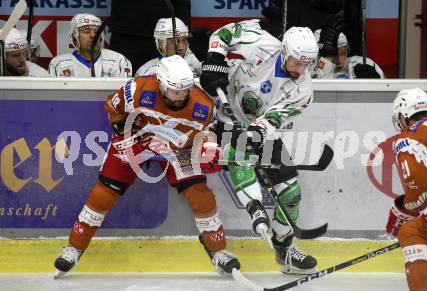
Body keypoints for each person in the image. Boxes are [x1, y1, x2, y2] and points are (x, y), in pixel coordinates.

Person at [53, 55, 240, 278]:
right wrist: (124, 131)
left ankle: (218, 251)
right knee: (103, 193)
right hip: (138, 140)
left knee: (201, 196)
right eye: (174, 90)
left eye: (185, 90)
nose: (181, 96)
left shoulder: (203, 104)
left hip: (178, 150)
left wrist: (210, 149)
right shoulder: (138, 88)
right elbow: (114, 107)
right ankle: (75, 246)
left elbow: (208, 133)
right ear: (161, 84)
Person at [200, 19, 321, 274]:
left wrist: (257, 132)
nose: (301, 69)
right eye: (297, 62)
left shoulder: (303, 90)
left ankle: (285, 249)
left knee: (290, 193)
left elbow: (273, 119)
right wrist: (215, 60)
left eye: (307, 64)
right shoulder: (261, 42)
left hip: (261, 130)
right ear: (285, 51)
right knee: (238, 157)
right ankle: (256, 212)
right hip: (224, 120)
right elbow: (223, 34)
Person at [385, 87, 427, 291]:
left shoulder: (410, 136)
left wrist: (404, 211)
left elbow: (422, 195)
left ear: (403, 115)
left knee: (413, 233)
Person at [109, 0, 191, 73]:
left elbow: (182, 3)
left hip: (163, 36)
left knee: (167, 80)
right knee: (119, 82)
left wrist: (183, 29)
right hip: (124, 33)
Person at [48, 13, 132, 77]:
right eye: (86, 30)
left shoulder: (119, 61)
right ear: (75, 37)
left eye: (96, 31)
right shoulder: (59, 64)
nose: (93, 35)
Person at [135, 17, 201, 77]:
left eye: (184, 41)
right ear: (160, 43)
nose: (181, 48)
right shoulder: (146, 72)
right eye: (175, 42)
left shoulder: (195, 65)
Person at [312, 29, 384, 79]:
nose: (339, 61)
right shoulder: (308, 71)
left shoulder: (364, 63)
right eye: (334, 56)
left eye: (343, 53)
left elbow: (386, 87)